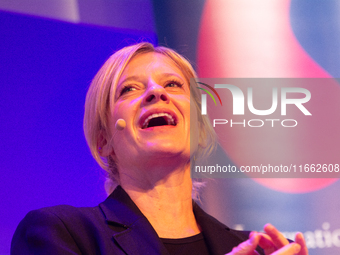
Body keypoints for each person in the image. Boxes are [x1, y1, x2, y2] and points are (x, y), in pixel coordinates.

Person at [11, 42, 308, 255]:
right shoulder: (63, 233)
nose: (156, 91)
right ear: (105, 142)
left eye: (174, 84)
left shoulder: (253, 248)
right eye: (129, 89)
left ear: (200, 130)